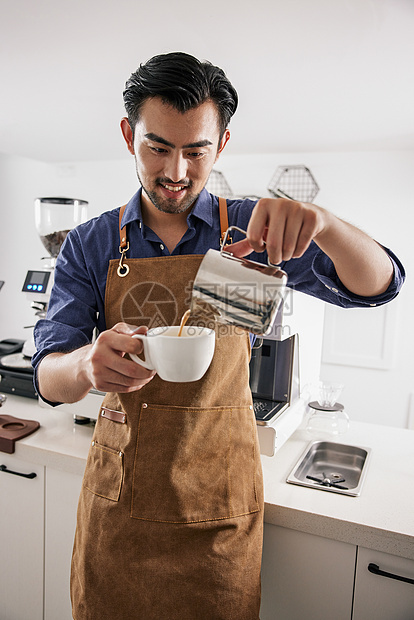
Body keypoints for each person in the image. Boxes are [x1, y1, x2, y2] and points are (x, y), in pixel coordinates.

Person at [33, 52, 405, 620]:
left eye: (196, 150)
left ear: (223, 143)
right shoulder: (91, 242)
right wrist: (85, 366)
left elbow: (378, 287)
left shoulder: (251, 232)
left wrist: (323, 223)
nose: (176, 171)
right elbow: (49, 377)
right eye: (157, 147)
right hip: (120, 507)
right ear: (130, 134)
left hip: (219, 513)